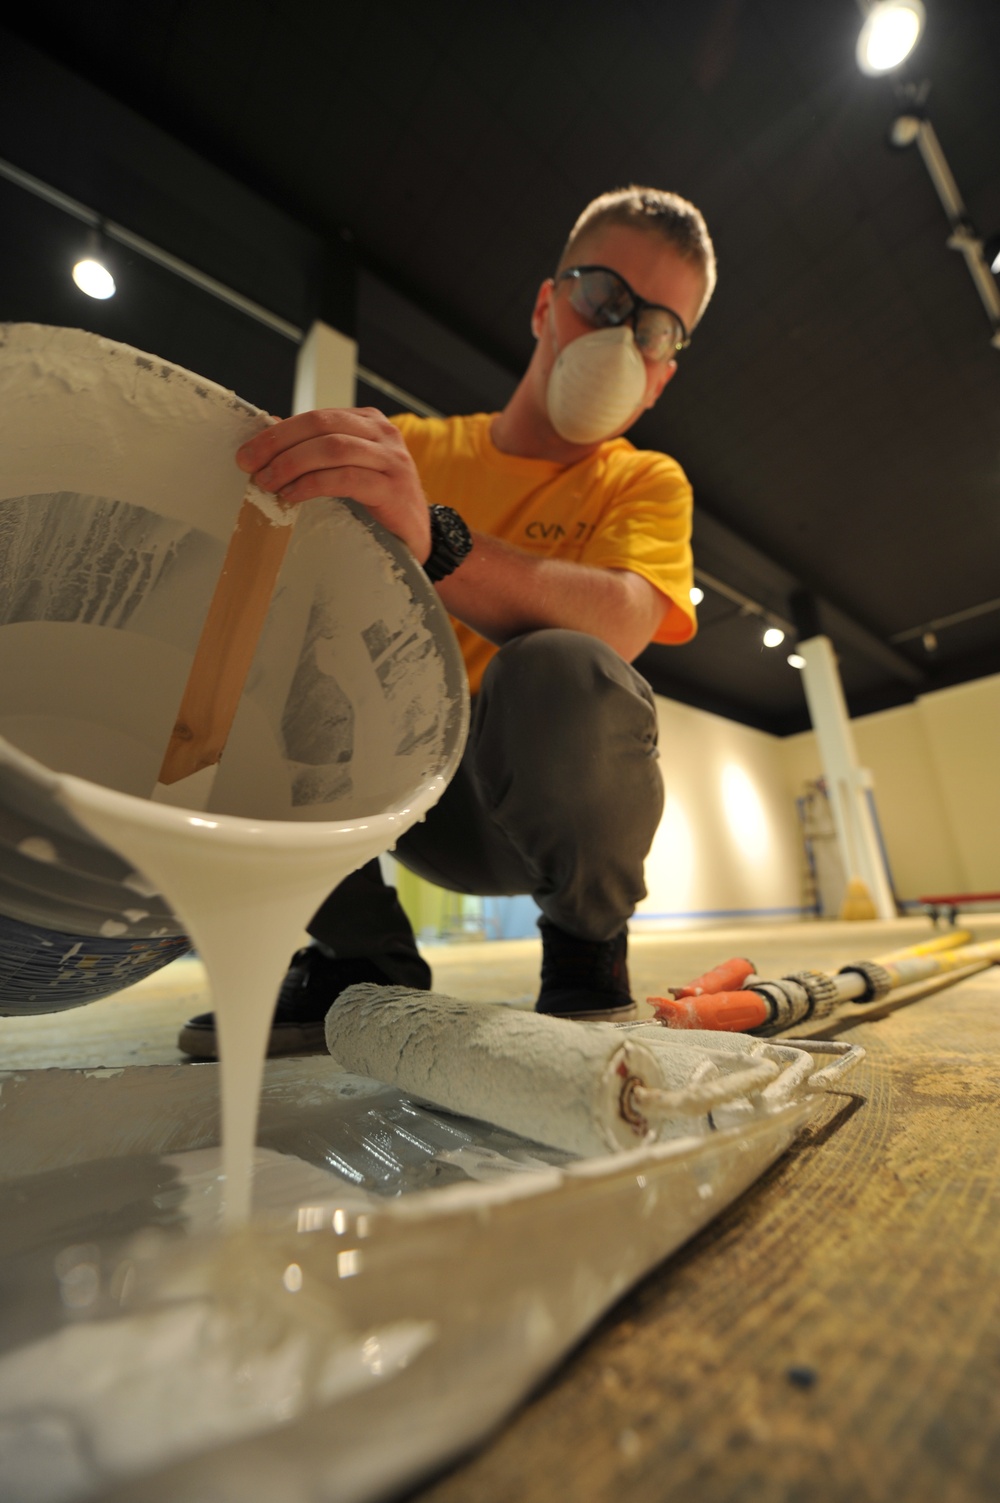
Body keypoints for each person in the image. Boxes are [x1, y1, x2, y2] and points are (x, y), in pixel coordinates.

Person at [179, 185, 716, 1059]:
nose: (623, 338)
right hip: (391, 796)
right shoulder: (414, 452)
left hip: (547, 795)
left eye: (657, 329)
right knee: (258, 645)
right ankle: (361, 956)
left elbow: (621, 623)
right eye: (603, 298)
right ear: (546, 305)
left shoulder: (646, 481)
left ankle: (585, 946)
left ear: (664, 373)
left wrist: (438, 540)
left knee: (562, 665)